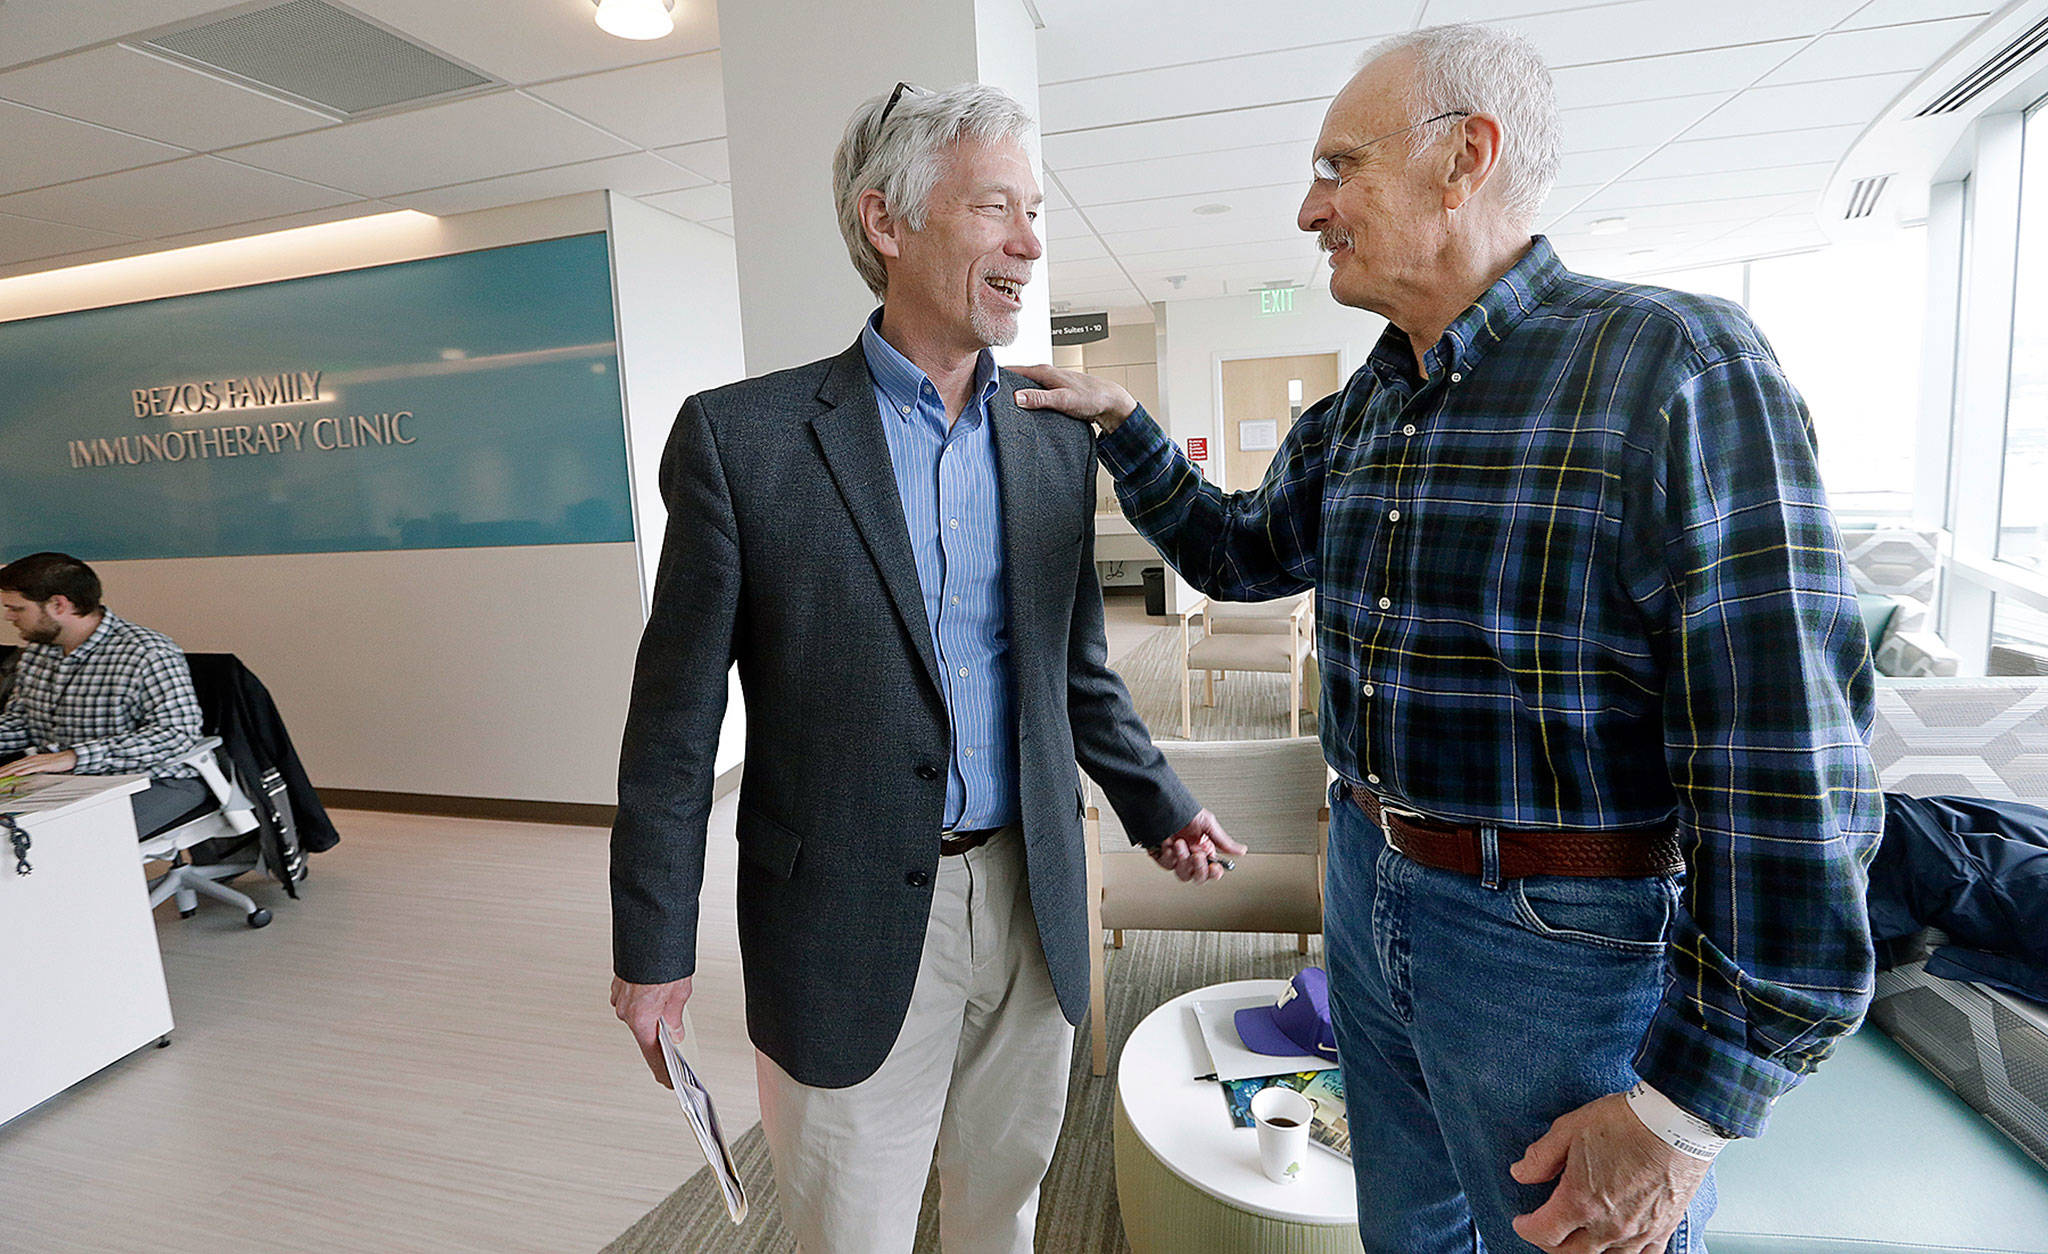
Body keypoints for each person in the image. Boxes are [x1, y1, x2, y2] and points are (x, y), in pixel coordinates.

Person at [1013, 23, 1882, 1254]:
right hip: (1366, 883)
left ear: (1462, 159)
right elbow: (1240, 551)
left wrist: (1687, 1113)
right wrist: (1123, 422)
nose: (1307, 210)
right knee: (1408, 1238)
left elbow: (1786, 771)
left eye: (1336, 168)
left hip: (1555, 950)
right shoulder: (1363, 406)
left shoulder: (1672, 369)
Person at [607, 82, 1242, 1254]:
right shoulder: (740, 440)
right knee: (852, 1222)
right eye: (994, 207)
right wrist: (651, 951)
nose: (1029, 241)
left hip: (1030, 887)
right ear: (886, 223)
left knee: (1001, 1201)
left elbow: (1073, 671)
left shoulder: (1056, 434)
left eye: (1034, 211)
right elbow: (674, 725)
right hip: (838, 912)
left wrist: (1159, 806)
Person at [0, 551, 209, 838]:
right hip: (68, 782)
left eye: (17, 608)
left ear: (58, 605)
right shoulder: (40, 650)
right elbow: (24, 723)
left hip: (156, 781)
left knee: (58, 839)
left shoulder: (147, 652)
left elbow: (176, 734)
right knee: (17, 834)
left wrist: (75, 757)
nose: (8, 616)